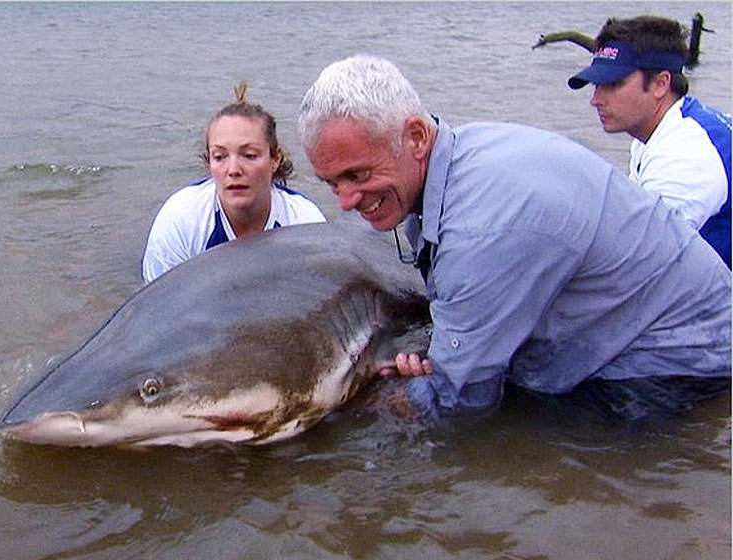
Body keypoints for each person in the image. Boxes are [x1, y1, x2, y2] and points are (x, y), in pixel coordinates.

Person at [298, 54, 731, 421]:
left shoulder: (482, 227)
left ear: (414, 137)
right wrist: (450, 349)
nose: (346, 201)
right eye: (331, 183)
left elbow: (462, 399)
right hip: (643, 319)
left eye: (358, 174)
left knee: (520, 439)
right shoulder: (461, 157)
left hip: (678, 362)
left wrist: (369, 405)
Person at [568, 15, 731, 267]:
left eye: (612, 84)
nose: (596, 99)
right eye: (596, 85)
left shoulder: (685, 155)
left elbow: (638, 263)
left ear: (660, 84)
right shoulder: (661, 132)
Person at [142, 83, 326, 282]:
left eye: (249, 155)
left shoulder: (306, 224)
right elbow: (158, 307)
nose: (233, 170)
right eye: (220, 157)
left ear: (275, 159)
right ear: (208, 161)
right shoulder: (181, 219)